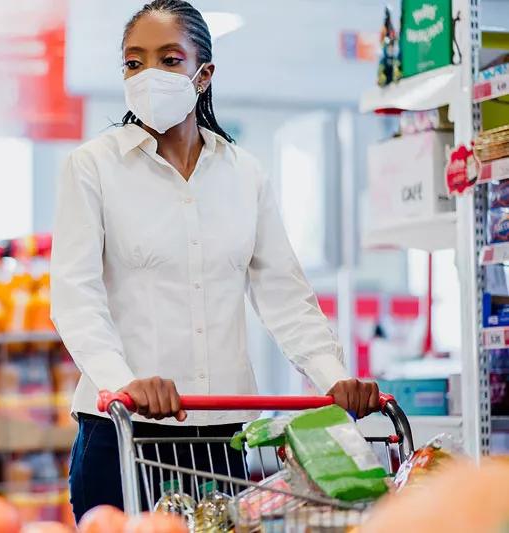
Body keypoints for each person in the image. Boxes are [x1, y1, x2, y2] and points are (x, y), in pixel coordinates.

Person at [50, 0, 380, 521]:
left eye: (169, 59)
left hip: (220, 442)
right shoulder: (92, 168)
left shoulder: (244, 174)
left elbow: (285, 295)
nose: (149, 75)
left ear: (203, 75)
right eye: (134, 63)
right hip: (121, 435)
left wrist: (332, 376)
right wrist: (124, 382)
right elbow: (75, 297)